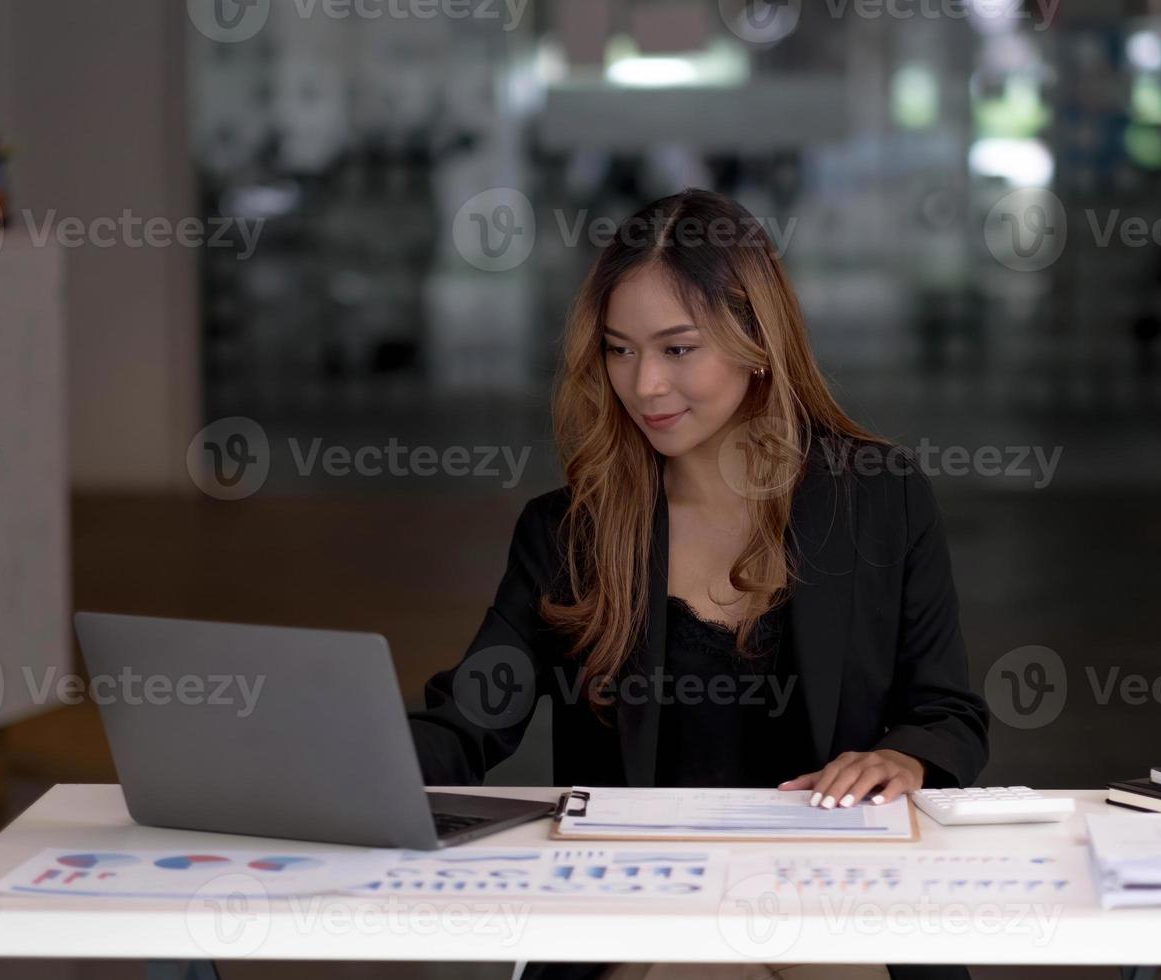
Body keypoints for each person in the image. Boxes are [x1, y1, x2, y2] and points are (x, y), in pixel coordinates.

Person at [408, 188, 989, 980]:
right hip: (639, 910)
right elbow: (470, 720)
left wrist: (905, 759)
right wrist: (343, 773)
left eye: (677, 349)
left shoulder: (878, 498)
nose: (643, 384)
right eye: (618, 349)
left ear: (755, 338)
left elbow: (946, 712)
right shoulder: (571, 531)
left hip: (834, 891)